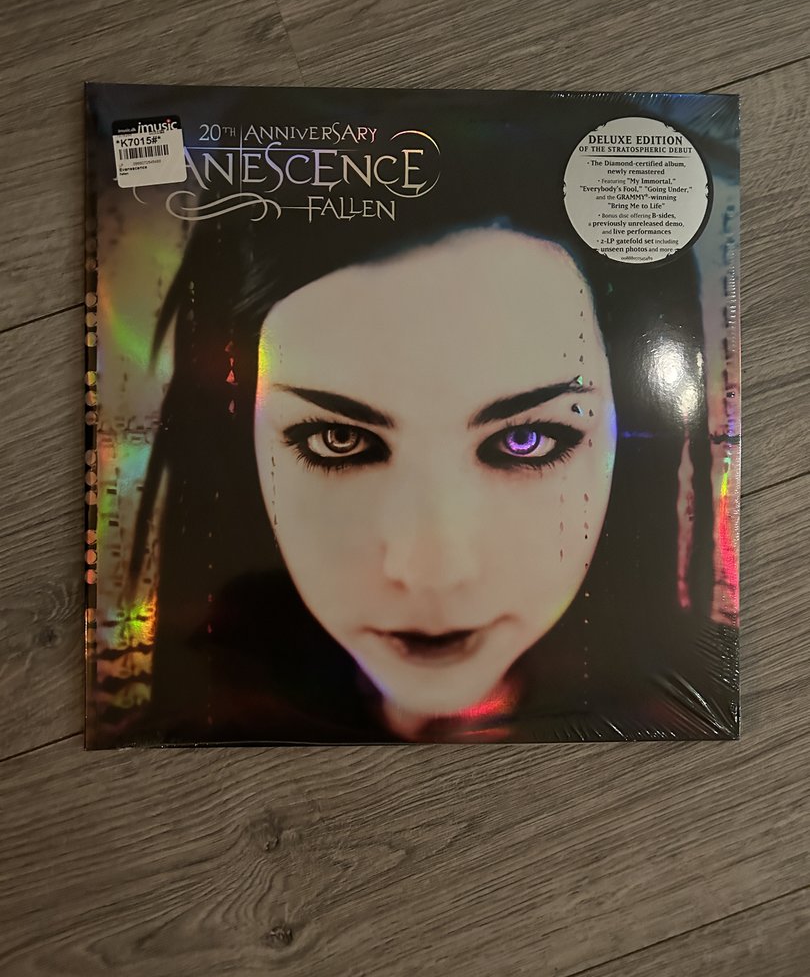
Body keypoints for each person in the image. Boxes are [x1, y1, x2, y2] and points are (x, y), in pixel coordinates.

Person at [128, 95, 736, 743]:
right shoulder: (193, 733)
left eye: (526, 440)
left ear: (632, 427)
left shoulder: (692, 715)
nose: (433, 572)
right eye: (338, 440)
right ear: (237, 440)